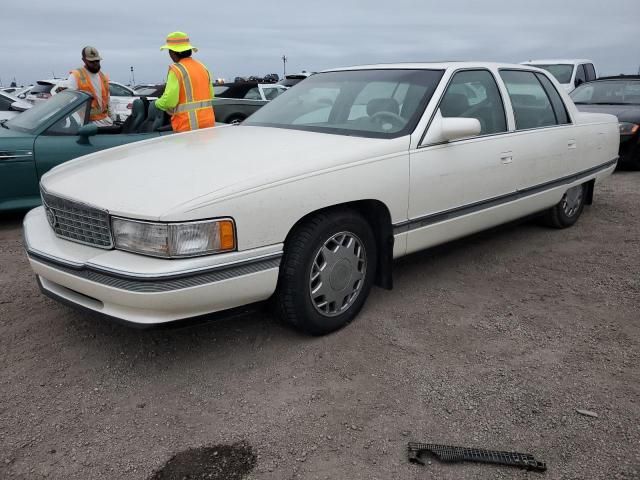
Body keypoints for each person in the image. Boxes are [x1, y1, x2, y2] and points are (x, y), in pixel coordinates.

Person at [155, 32, 215, 132]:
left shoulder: (177, 70)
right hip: (207, 124)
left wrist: (157, 103)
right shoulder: (202, 67)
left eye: (169, 50)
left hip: (187, 126)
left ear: (174, 52)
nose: (169, 54)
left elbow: (170, 101)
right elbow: (211, 95)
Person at [66, 46, 113, 126]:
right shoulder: (76, 76)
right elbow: (69, 101)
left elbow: (108, 100)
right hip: (88, 125)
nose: (95, 64)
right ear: (84, 60)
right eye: (92, 61)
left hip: (106, 123)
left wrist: (112, 117)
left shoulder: (103, 76)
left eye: (97, 61)